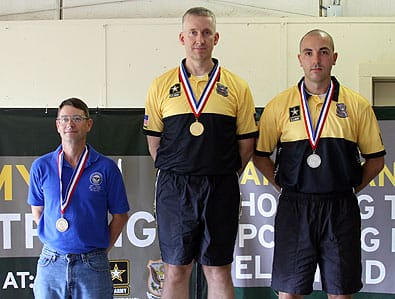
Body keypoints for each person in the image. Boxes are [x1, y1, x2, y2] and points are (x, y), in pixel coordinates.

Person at [253, 29, 386, 299]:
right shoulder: (279, 105)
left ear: (334, 58)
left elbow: (376, 160)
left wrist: (348, 188)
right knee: (289, 293)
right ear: (299, 59)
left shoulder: (357, 106)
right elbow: (260, 155)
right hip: (295, 208)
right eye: (309, 53)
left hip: (340, 209)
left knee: (340, 293)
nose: (316, 59)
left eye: (323, 52)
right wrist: (284, 186)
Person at [143, 7, 258, 299]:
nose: (199, 39)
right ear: (182, 37)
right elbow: (154, 142)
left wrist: (222, 171)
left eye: (206, 32)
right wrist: (179, 168)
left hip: (220, 186)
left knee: (217, 269)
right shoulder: (160, 85)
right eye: (193, 32)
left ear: (216, 38)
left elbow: (246, 143)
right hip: (175, 188)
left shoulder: (237, 86)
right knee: (176, 269)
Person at [28, 97, 130, 299]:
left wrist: (100, 250)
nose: (70, 124)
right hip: (51, 263)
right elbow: (37, 210)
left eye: (77, 118)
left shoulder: (106, 168)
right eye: (64, 119)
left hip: (92, 265)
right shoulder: (41, 166)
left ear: (89, 124)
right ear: (57, 125)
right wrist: (58, 239)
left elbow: (121, 215)